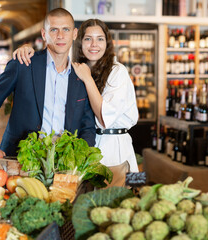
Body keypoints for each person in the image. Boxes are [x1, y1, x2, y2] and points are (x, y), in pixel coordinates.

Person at [13, 19, 139, 172]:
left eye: (100, 39)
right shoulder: (77, 69)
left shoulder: (118, 71)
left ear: (107, 43)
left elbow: (103, 117)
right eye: (88, 39)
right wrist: (26, 48)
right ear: (79, 42)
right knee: (86, 194)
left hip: (115, 147)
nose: (94, 44)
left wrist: (87, 78)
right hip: (86, 146)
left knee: (121, 193)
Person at [0, 8, 96, 157]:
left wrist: (81, 156)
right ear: (44, 34)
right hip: (18, 158)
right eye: (54, 30)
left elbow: (88, 126)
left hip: (62, 163)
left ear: (74, 34)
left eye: (66, 29)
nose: (60, 36)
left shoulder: (81, 76)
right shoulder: (23, 64)